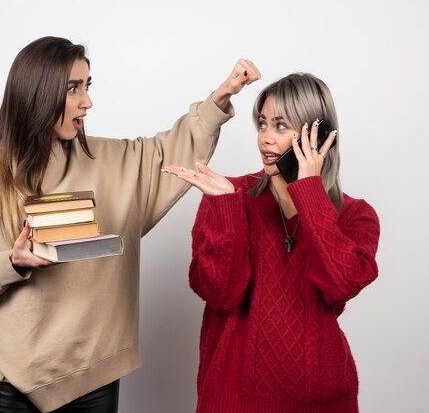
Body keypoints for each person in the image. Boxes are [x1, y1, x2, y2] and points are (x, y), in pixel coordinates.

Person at [0, 36, 260, 413]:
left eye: (87, 86)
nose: (88, 101)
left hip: (95, 379)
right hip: (12, 383)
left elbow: (168, 150)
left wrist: (223, 94)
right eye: (73, 88)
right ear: (37, 93)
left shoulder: (107, 159)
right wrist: (10, 263)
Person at [163, 73, 380, 413]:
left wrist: (308, 191)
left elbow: (340, 286)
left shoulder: (356, 215)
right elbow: (222, 294)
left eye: (280, 126)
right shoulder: (226, 195)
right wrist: (225, 210)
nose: (264, 138)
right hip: (234, 399)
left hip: (323, 401)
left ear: (319, 135)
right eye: (262, 124)